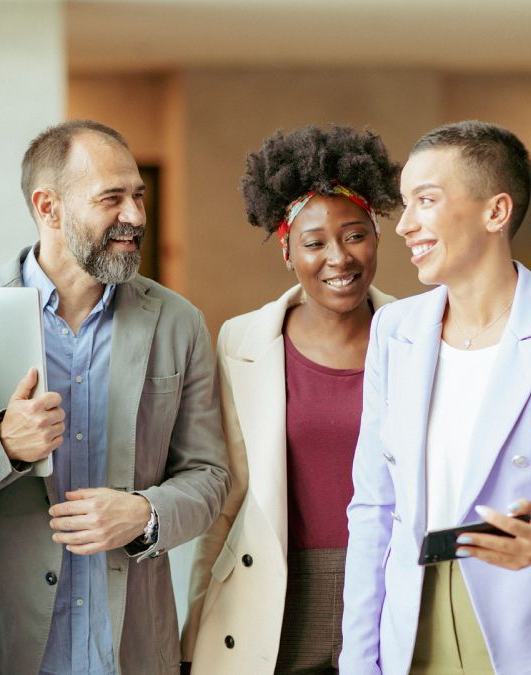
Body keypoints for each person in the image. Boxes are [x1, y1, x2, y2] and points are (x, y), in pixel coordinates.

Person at [0, 119, 229, 675]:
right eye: (112, 198)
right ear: (48, 207)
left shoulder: (178, 324)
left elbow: (208, 474)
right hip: (1, 641)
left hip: (130, 645)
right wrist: (1, 446)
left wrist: (144, 514)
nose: (135, 216)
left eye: (138, 196)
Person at [180, 125, 400, 674]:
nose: (338, 258)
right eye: (314, 242)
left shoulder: (418, 337)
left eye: (354, 235)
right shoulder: (242, 341)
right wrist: (193, 631)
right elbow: (227, 500)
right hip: (271, 594)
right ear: (286, 250)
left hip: (388, 588)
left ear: (376, 234)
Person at [342, 120, 531, 674]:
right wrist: (359, 660)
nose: (403, 226)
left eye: (426, 200)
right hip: (411, 617)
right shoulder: (395, 330)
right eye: (404, 204)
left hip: (516, 612)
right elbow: (374, 506)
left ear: (495, 212)